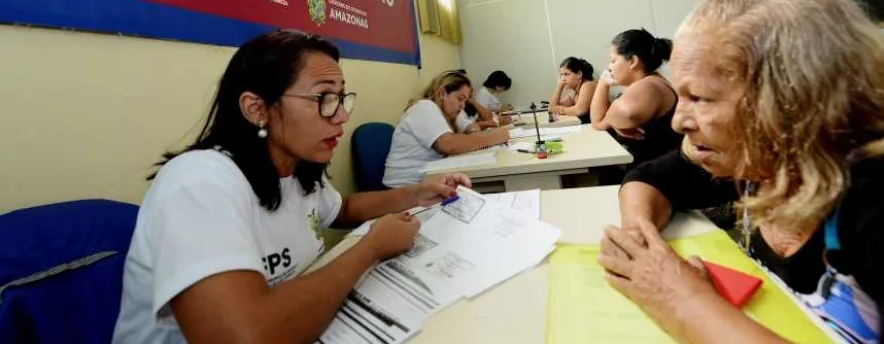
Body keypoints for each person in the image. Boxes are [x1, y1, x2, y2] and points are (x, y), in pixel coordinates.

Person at [602, 0, 884, 343]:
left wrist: (679, 299)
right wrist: (641, 239)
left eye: (700, 98)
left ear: (790, 100)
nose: (678, 122)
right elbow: (650, 179)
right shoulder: (759, 155)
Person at [112, 30, 470, 344]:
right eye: (324, 99)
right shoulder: (197, 183)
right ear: (257, 109)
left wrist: (417, 192)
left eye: (342, 98)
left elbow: (340, 208)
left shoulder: (295, 167)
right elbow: (242, 337)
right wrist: (372, 248)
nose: (342, 115)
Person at [383, 70, 511, 187]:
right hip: (404, 190)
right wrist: (495, 137)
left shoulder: (449, 111)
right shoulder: (424, 107)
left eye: (465, 100)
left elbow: (470, 128)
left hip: (429, 183)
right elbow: (449, 144)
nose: (462, 105)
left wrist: (475, 133)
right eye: (460, 99)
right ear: (442, 93)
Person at [590, 29, 682, 168]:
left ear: (633, 61)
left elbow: (601, 122)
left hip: (659, 176)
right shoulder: (651, 81)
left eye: (613, 60)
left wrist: (616, 121)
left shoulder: (648, 86)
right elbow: (599, 122)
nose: (609, 67)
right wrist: (603, 84)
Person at [548, 57, 597, 124]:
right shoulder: (575, 92)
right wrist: (560, 86)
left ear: (579, 74)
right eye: (561, 75)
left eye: (566, 74)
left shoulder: (588, 84)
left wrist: (561, 109)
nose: (563, 78)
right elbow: (552, 108)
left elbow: (579, 110)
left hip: (605, 132)